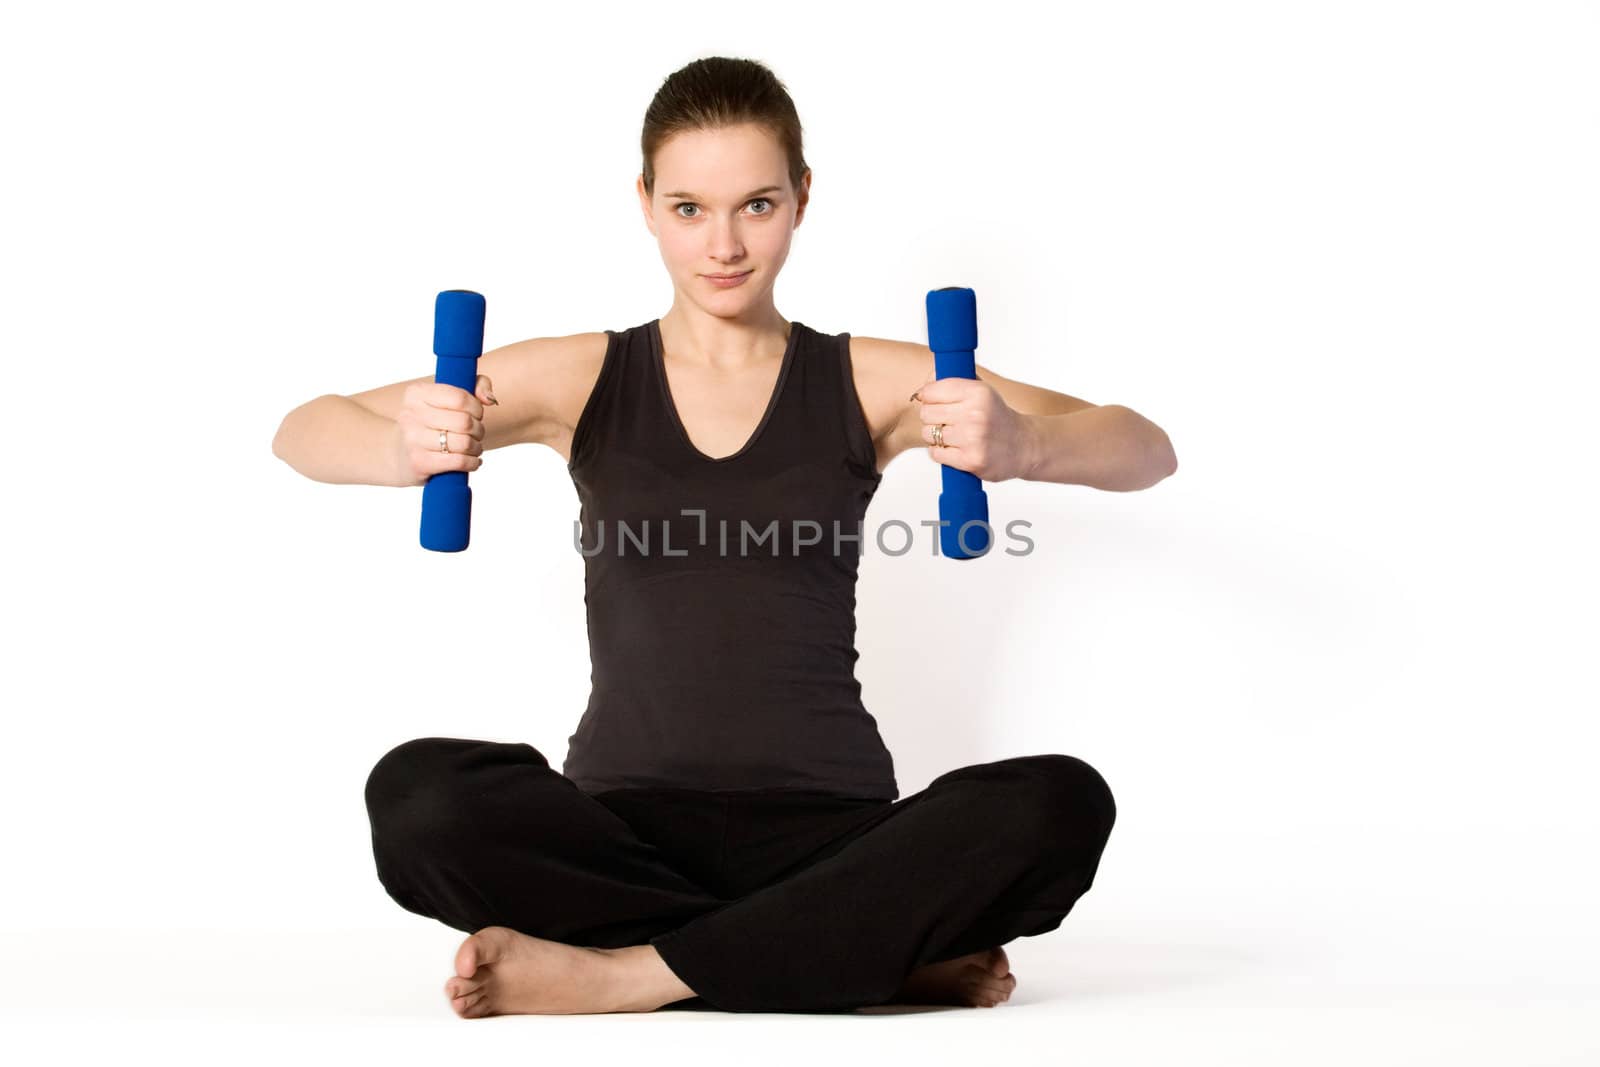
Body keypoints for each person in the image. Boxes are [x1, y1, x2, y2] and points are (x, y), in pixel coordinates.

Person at [272, 55, 1177, 1019]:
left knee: (1059, 803)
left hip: (832, 830)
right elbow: (302, 429)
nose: (724, 246)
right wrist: (400, 448)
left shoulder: (872, 379)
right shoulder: (582, 376)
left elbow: (1144, 448)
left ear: (802, 199)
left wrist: (1027, 441)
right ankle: (848, 950)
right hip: (618, 830)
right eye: (690, 208)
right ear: (647, 204)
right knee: (417, 797)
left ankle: (626, 971)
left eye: (757, 204)